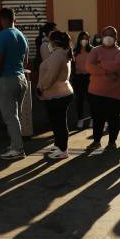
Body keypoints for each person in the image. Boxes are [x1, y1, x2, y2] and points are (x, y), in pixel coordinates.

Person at [0, 8, 29, 160]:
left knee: (10, 117)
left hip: (6, 80)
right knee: (16, 115)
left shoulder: (1, 36)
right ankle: (16, 143)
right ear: (14, 19)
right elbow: (26, 60)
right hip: (21, 78)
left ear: (1, 19)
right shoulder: (21, 35)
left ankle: (17, 149)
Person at [86, 26, 120, 151]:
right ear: (102, 36)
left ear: (116, 37)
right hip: (95, 92)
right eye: (106, 34)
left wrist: (99, 64)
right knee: (98, 119)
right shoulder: (95, 50)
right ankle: (96, 141)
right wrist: (107, 72)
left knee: (113, 118)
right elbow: (88, 66)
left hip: (115, 92)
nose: (109, 37)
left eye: (112, 35)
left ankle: (112, 142)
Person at [38, 31, 74, 160]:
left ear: (54, 41)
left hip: (57, 95)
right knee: (58, 122)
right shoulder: (62, 52)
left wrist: (42, 88)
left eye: (49, 40)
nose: (48, 43)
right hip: (60, 93)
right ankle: (59, 145)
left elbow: (50, 76)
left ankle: (62, 150)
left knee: (59, 123)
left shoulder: (57, 55)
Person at [72, 31, 92, 129]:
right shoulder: (75, 51)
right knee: (79, 100)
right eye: (82, 38)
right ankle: (80, 119)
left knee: (91, 100)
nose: (84, 40)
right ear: (79, 39)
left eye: (86, 38)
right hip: (78, 78)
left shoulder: (92, 50)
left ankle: (92, 119)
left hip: (90, 78)